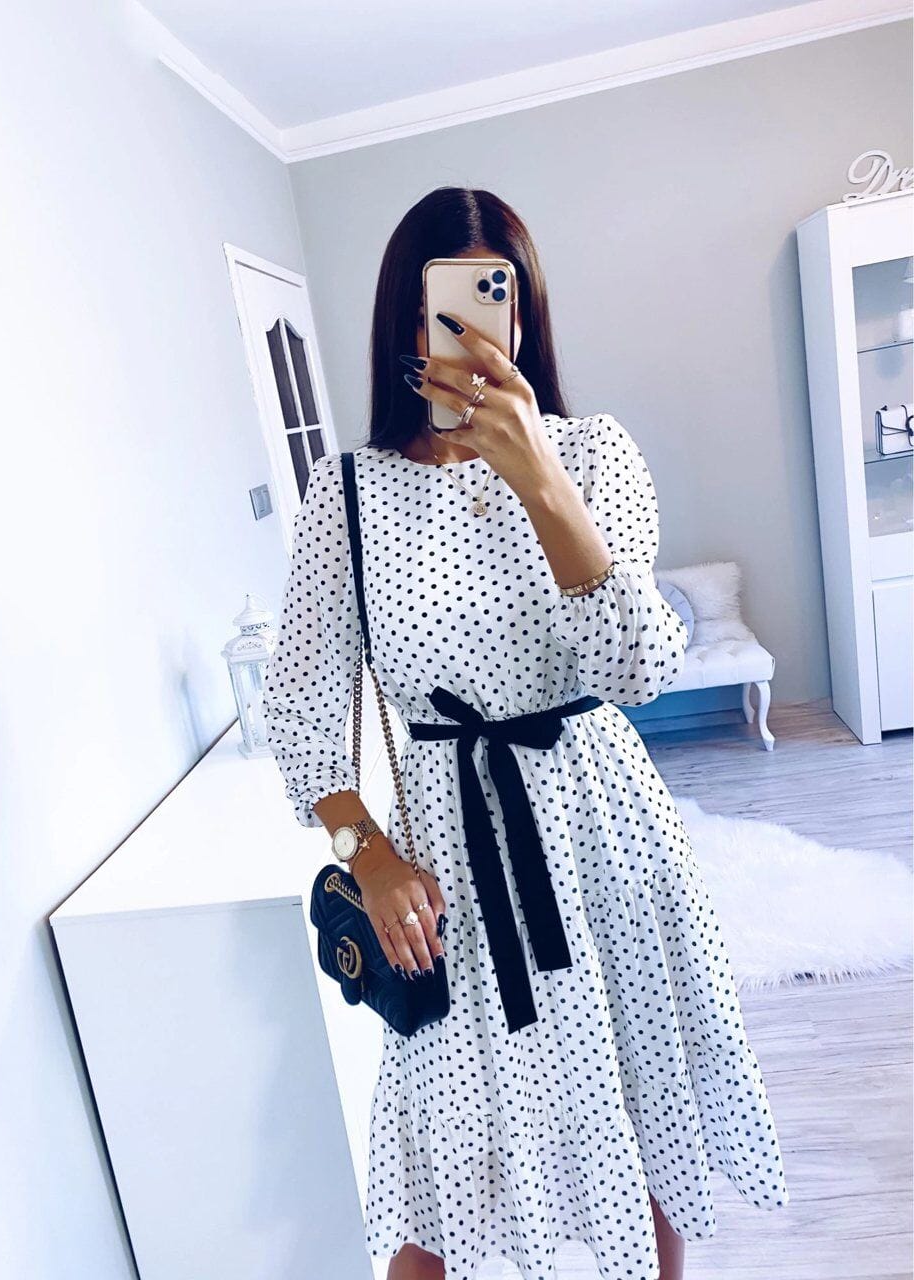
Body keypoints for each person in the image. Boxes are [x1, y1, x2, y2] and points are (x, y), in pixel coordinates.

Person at [262, 187, 789, 1280]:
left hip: (604, 835)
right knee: (438, 1165)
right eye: (442, 310)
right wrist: (368, 853)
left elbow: (640, 668)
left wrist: (538, 475)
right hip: (448, 865)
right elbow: (303, 709)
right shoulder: (345, 495)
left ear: (526, 314)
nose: (467, 336)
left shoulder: (593, 454)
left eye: (491, 304)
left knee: (638, 1111)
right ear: (404, 322)